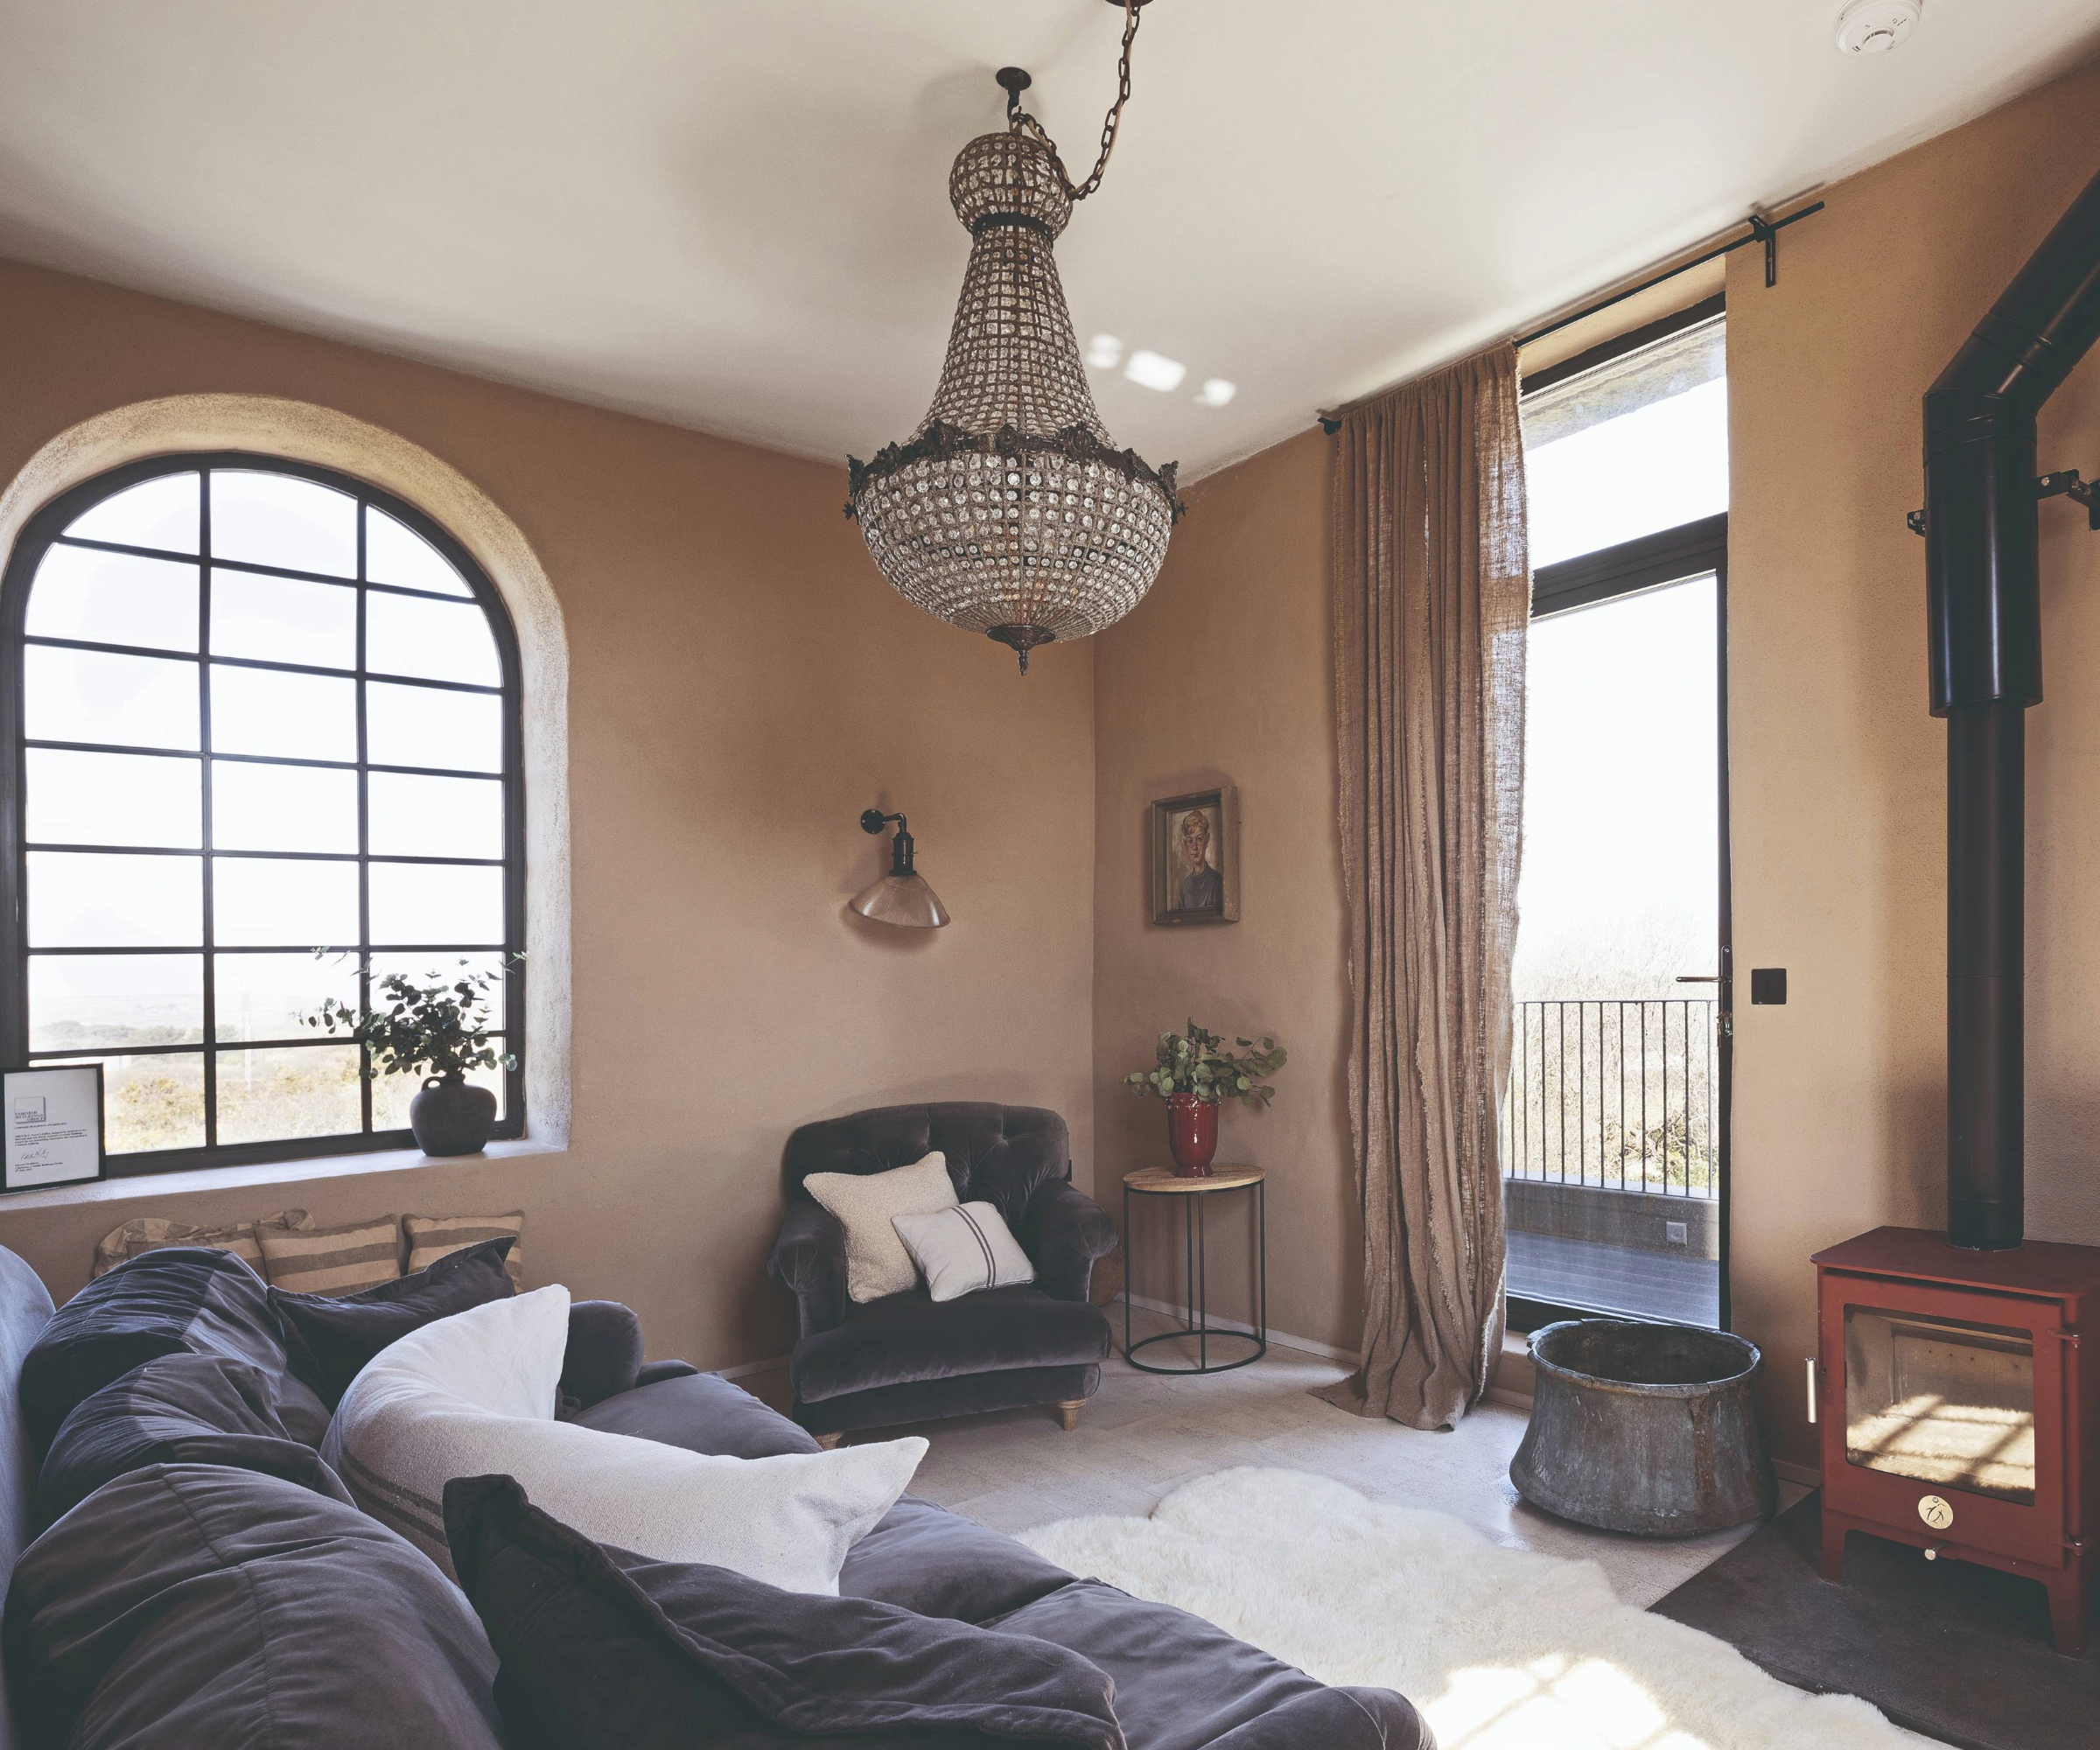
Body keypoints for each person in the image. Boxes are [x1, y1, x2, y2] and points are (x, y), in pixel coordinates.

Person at [1177, 809, 1222, 911]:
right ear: (1186, 845)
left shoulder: (1216, 881)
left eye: (1199, 839)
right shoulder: (1185, 887)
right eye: (1190, 841)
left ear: (1207, 840)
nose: (1194, 847)